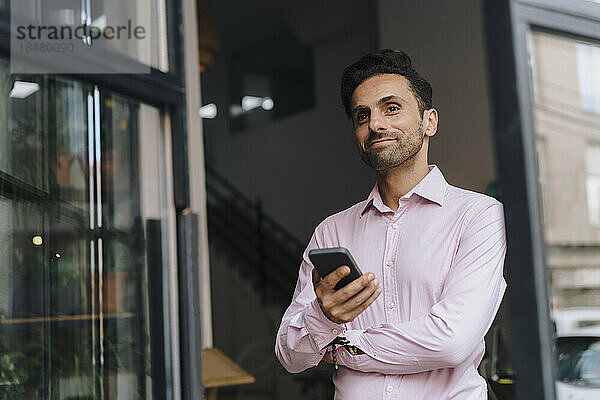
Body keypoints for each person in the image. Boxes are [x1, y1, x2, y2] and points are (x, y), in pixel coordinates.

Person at [274, 49, 507, 399]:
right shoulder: (332, 232)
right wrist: (322, 316)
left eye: (391, 108)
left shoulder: (479, 216)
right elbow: (290, 355)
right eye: (362, 116)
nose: (375, 124)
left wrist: (345, 348)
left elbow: (452, 341)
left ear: (430, 122)